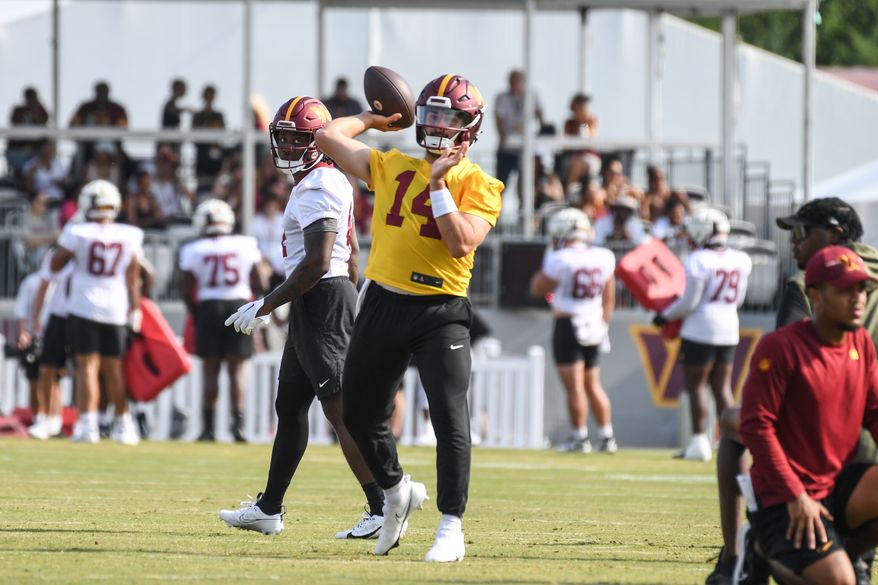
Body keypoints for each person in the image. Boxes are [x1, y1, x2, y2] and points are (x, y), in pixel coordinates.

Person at [315, 73, 503, 562]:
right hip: (383, 301)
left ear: (470, 127)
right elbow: (324, 136)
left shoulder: (480, 183)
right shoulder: (392, 163)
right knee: (357, 412)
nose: (439, 125)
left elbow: (461, 241)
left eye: (450, 117)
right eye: (432, 114)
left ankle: (451, 524)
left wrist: (439, 182)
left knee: (449, 416)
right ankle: (396, 490)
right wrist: (371, 119)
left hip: (441, 309)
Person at [219, 96, 387, 540]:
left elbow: (315, 262)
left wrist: (265, 303)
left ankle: (382, 504)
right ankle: (269, 508)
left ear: (316, 141)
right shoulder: (323, 179)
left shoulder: (318, 186)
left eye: (296, 139)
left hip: (321, 298)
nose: (287, 147)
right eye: (283, 138)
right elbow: (347, 254)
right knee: (290, 405)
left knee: (339, 410)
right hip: (323, 297)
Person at [706, 197, 878, 585]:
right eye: (846, 291)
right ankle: (763, 549)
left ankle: (747, 551)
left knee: (733, 419)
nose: (857, 299)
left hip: (838, 468)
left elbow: (875, 411)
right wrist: (795, 494)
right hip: (795, 482)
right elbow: (760, 425)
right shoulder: (785, 346)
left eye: (862, 290)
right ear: (817, 296)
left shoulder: (853, 338)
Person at [653, 207, 752, 462]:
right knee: (722, 388)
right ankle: (730, 441)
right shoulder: (741, 259)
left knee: (696, 386)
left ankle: (699, 442)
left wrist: (665, 315)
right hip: (729, 326)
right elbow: (739, 299)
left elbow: (690, 302)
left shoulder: (698, 260)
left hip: (701, 328)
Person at [50, 180, 143, 445]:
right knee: (114, 368)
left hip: (84, 306)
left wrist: (67, 238)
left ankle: (88, 425)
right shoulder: (129, 234)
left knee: (87, 367)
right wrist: (135, 310)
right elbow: (133, 277)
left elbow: (56, 265)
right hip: (115, 308)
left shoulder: (78, 232)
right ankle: (123, 425)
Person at [530, 208, 617, 454]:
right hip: (595, 322)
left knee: (575, 387)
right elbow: (609, 297)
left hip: (569, 323)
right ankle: (607, 437)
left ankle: (580, 438)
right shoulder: (604, 255)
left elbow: (538, 287)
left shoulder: (561, 258)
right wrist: (603, 323)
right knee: (593, 384)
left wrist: (550, 256)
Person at [179, 199, 263, 442]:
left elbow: (186, 289)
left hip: (209, 306)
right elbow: (260, 280)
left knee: (210, 369)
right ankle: (238, 426)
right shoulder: (245, 244)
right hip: (238, 303)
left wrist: (197, 313)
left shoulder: (193, 249)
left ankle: (209, 429)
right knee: (237, 370)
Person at [27, 244, 74, 440]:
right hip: (58, 317)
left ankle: (96, 420)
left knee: (88, 369)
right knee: (48, 369)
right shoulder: (57, 256)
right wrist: (36, 319)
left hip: (85, 316)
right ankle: (49, 418)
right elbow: (44, 285)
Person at [494, 70, 544, 205]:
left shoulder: (532, 96)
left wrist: (541, 131)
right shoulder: (502, 98)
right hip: (507, 149)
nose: (514, 84)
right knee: (501, 185)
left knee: (525, 185)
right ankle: (495, 217)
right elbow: (499, 119)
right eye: (512, 81)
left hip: (526, 148)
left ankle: (524, 211)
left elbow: (540, 113)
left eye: (517, 81)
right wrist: (503, 138)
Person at [7, 87, 50, 179]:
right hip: (18, 150)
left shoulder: (40, 110)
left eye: (33, 98)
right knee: (24, 169)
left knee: (34, 170)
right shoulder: (18, 110)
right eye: (29, 98)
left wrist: (35, 114)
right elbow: (14, 126)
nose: (31, 101)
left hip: (35, 151)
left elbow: (45, 121)